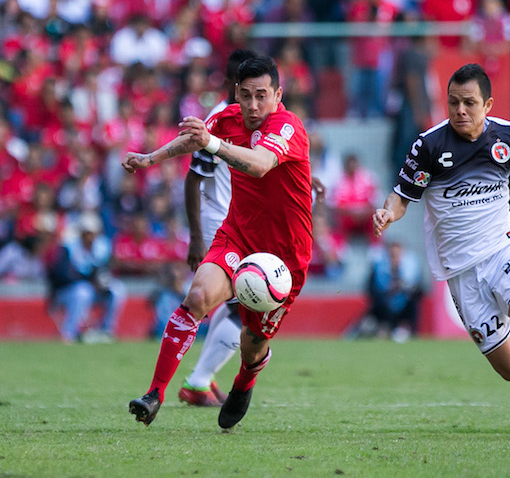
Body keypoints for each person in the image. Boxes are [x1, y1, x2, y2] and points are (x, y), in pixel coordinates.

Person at [372, 63, 510, 440]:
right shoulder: (429, 145)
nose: (460, 110)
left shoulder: (507, 137)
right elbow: (402, 196)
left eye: (469, 103)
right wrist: (387, 213)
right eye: (453, 102)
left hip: (502, 250)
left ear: (488, 105)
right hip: (460, 270)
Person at [122, 56, 313, 429]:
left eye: (262, 95)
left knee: (253, 342)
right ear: (236, 93)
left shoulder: (288, 126)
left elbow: (259, 164)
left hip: (284, 258)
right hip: (237, 236)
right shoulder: (228, 119)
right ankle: (155, 393)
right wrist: (150, 158)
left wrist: (212, 143)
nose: (254, 105)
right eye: (246, 95)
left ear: (278, 95)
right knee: (197, 297)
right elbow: (193, 140)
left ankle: (245, 379)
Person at [178, 48, 255, 407]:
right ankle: (198, 381)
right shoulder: (218, 121)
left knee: (233, 304)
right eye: (245, 85)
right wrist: (196, 237)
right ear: (232, 82)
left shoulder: (250, 119)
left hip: (240, 222)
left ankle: (202, 379)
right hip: (219, 222)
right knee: (246, 306)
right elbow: (193, 180)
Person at [47, 212, 127, 344]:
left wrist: (101, 282)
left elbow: (106, 270)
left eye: (93, 233)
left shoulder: (102, 247)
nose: (90, 237)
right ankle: (69, 332)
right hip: (67, 292)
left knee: (117, 289)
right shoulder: (68, 248)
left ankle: (106, 330)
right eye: (87, 233)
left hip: (94, 290)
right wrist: (89, 280)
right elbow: (62, 275)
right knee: (83, 291)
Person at [349, 240, 424, 343]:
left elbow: (418, 289)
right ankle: (381, 328)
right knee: (379, 307)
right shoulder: (380, 268)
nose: (395, 258)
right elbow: (375, 289)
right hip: (384, 306)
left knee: (412, 304)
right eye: (392, 255)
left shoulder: (410, 268)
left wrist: (403, 287)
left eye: (397, 255)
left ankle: (404, 329)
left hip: (403, 306)